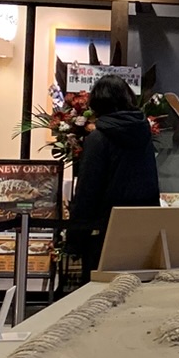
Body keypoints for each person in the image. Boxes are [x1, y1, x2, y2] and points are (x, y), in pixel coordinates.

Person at [68, 74, 160, 269]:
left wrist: (75, 239)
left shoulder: (98, 138)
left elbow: (88, 190)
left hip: (105, 230)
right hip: (143, 226)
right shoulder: (143, 133)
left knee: (100, 286)